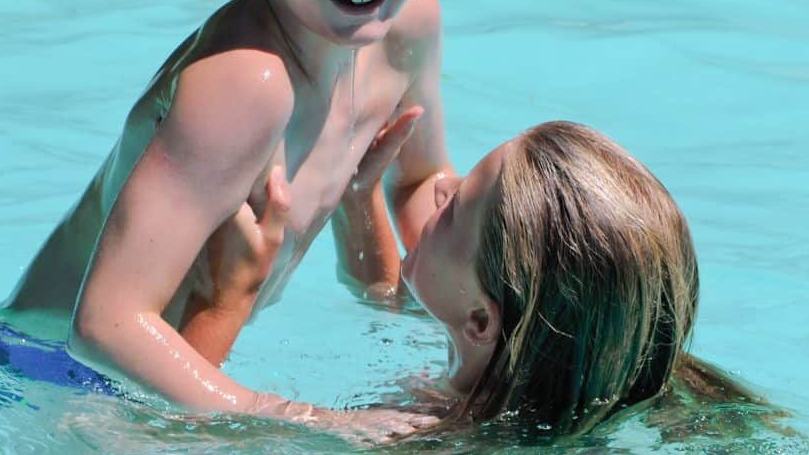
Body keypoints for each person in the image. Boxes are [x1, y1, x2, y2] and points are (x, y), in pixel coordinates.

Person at [0, 0, 449, 434]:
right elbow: (108, 323)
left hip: (161, 376)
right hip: (40, 378)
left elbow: (421, 181)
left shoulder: (408, 25)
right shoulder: (246, 83)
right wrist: (306, 417)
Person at [210, 119, 714, 434]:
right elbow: (383, 297)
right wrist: (358, 197)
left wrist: (233, 292)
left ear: (480, 322)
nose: (440, 186)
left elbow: (183, 428)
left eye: (454, 207)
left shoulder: (416, 440)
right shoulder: (519, 377)